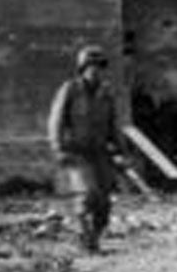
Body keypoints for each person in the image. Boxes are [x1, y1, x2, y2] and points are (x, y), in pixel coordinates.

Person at [47, 43, 126, 254]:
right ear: (82, 68)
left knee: (105, 202)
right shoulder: (70, 89)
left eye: (100, 66)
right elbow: (56, 120)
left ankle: (94, 239)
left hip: (99, 151)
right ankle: (87, 241)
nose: (96, 70)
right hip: (76, 151)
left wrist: (120, 151)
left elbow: (113, 124)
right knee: (88, 195)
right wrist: (58, 148)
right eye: (91, 66)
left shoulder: (106, 93)